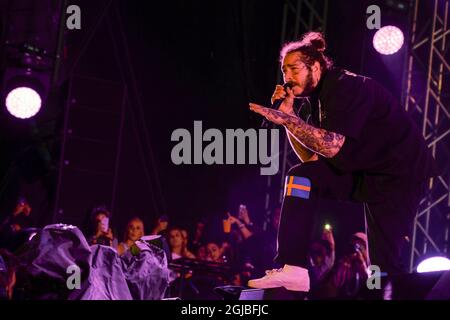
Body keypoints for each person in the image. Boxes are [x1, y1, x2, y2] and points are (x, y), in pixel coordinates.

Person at [248, 32, 437, 293]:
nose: (287, 78)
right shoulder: (317, 100)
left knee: (384, 264)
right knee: (302, 175)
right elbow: (312, 158)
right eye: (283, 71)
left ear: (315, 66)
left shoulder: (343, 86)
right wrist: (289, 115)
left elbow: (332, 145)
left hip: (399, 174)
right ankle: (293, 268)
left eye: (293, 69)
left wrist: (288, 121)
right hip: (366, 171)